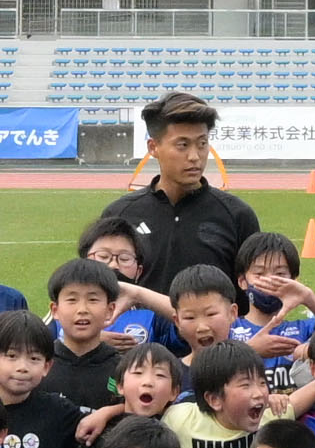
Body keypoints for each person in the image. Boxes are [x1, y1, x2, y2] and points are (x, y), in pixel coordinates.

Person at [95, 93, 262, 301]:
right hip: (139, 324)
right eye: (182, 145)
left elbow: (253, 297)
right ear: (153, 147)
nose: (194, 156)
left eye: (202, 144)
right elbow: (102, 289)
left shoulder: (237, 215)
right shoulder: (120, 214)